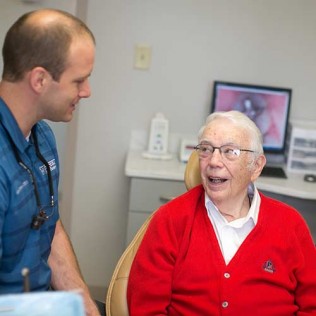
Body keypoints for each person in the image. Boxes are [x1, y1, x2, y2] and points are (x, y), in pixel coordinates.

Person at [127, 110, 316, 315]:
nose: (214, 162)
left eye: (230, 151)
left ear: (256, 166)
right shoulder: (171, 220)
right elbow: (146, 308)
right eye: (206, 150)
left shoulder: (289, 224)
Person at [0, 9, 103, 316]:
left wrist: (84, 306)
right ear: (40, 79)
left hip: (45, 303)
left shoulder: (41, 136)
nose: (87, 92)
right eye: (79, 80)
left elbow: (50, 225)